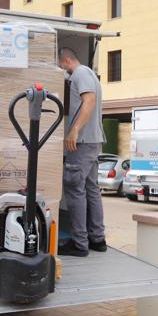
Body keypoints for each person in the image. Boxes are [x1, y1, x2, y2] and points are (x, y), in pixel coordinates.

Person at [56, 47, 106, 257]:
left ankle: (79, 243)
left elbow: (89, 101)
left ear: (67, 61)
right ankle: (97, 239)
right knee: (91, 188)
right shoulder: (89, 74)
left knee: (74, 187)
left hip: (83, 142)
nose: (62, 70)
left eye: (61, 65)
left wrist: (74, 130)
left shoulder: (80, 74)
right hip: (92, 141)